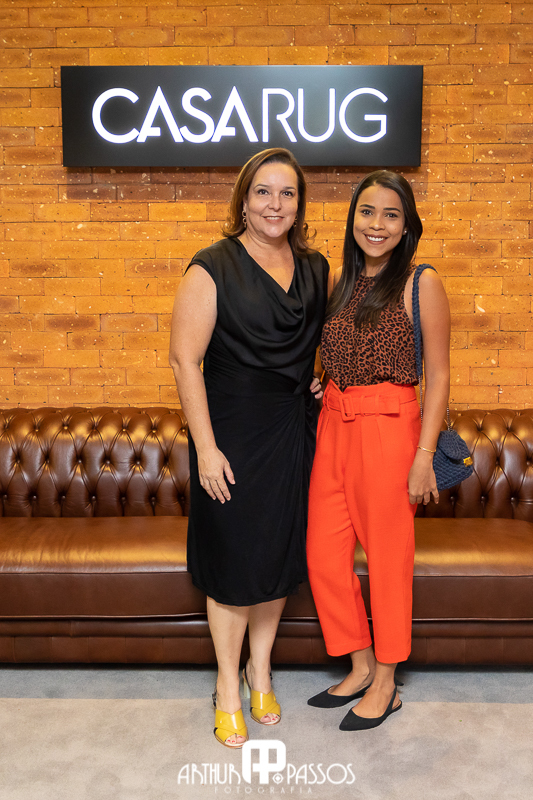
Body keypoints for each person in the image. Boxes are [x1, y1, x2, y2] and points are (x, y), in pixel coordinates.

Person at [169, 148, 329, 748]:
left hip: (292, 430)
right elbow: (184, 361)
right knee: (236, 565)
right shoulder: (211, 267)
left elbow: (321, 344)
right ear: (243, 199)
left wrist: (319, 378)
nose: (275, 205)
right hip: (231, 434)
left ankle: (260, 672)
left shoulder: (316, 268)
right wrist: (206, 449)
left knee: (278, 560)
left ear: (299, 204)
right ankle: (226, 686)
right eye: (263, 192)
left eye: (287, 193)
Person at [306, 170, 450, 730]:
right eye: (367, 211)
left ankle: (387, 681)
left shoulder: (420, 282)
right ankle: (360, 664)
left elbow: (438, 375)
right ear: (353, 218)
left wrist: (424, 455)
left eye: (392, 215)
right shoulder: (339, 281)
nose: (377, 224)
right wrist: (323, 379)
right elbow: (338, 351)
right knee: (323, 554)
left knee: (388, 562)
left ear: (407, 225)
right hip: (334, 425)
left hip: (390, 429)